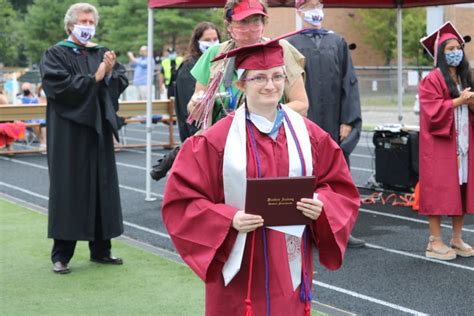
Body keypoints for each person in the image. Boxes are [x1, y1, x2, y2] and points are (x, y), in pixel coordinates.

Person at [162, 35, 360, 315]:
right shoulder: (215, 140)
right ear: (241, 83)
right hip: (239, 260)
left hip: (287, 258)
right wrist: (227, 218)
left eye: (278, 76)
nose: (271, 85)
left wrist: (322, 204)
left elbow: (339, 186)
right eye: (259, 78)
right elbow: (182, 201)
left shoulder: (310, 135)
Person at [39, 2, 128, 274]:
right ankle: (62, 255)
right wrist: (97, 75)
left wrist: (110, 73)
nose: (88, 26)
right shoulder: (55, 54)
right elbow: (59, 87)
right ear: (70, 25)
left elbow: (120, 79)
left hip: (97, 131)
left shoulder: (101, 52)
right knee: (69, 189)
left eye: (91, 22)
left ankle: (102, 250)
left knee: (102, 187)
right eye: (83, 21)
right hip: (69, 133)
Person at [288, 0, 365, 248]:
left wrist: (348, 120)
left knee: (338, 174)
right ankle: (302, 229)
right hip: (304, 122)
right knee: (303, 172)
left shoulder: (338, 42)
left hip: (333, 121)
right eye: (309, 5)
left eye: (318, 4)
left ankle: (340, 228)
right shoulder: (290, 44)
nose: (315, 9)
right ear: (299, 11)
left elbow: (349, 82)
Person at [187, 0, 308, 127]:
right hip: (224, 140)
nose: (249, 29)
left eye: (255, 21)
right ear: (228, 26)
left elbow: (301, 105)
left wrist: (252, 119)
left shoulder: (281, 49)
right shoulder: (215, 54)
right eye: (242, 22)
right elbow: (195, 109)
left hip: (271, 138)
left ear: (264, 23)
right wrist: (196, 104)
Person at [418, 21, 474, 260]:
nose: (455, 53)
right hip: (440, 145)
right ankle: (435, 241)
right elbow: (431, 110)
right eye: (449, 49)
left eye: (458, 48)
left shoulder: (467, 76)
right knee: (439, 190)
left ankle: (457, 238)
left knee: (461, 188)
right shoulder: (432, 79)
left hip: (464, 142)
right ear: (441, 54)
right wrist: (459, 102)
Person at [150, 22, 221, 181]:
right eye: (207, 39)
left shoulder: (222, 61)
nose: (212, 43)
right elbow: (188, 104)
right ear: (197, 41)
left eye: (215, 39)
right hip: (197, 125)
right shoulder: (190, 66)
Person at [20, 82, 47, 150]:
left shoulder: (30, 98)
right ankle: (43, 142)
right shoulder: (33, 99)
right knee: (37, 122)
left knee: (42, 122)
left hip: (44, 119)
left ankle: (44, 142)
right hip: (36, 120)